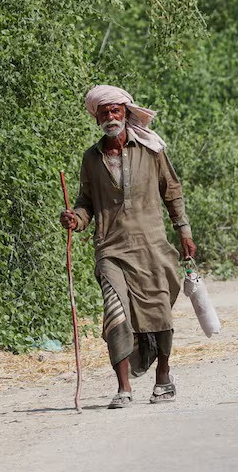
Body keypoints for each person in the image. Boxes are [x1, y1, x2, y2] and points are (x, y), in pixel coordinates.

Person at [60, 85, 197, 408]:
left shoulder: (151, 149)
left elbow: (172, 191)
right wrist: (76, 219)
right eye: (104, 112)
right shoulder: (91, 159)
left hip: (152, 247)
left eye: (115, 111)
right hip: (111, 249)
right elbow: (86, 202)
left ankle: (163, 378)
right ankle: (123, 388)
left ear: (126, 113)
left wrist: (184, 231)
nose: (110, 116)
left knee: (159, 313)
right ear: (97, 119)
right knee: (115, 312)